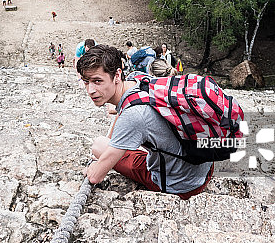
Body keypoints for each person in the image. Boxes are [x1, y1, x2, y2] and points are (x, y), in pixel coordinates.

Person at [77, 44, 213, 199]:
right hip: (205, 167)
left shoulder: (134, 115)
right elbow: (126, 111)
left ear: (116, 75)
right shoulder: (139, 79)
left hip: (183, 185)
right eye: (86, 81)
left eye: (97, 81)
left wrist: (95, 166)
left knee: (98, 145)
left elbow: (95, 177)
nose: (90, 90)